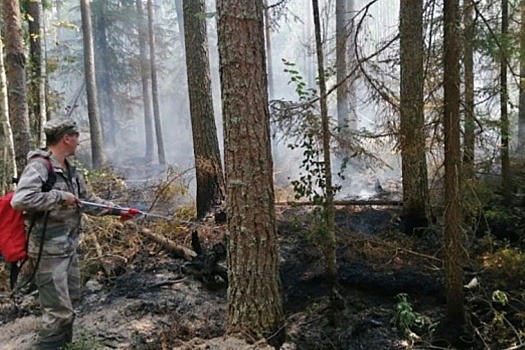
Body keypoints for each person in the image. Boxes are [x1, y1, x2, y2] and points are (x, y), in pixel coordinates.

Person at [10, 117, 135, 349]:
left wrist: (118, 210)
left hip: (68, 249)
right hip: (47, 253)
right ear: (67, 138)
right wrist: (59, 196)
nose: (79, 142)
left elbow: (86, 201)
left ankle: (65, 345)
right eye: (76, 137)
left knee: (70, 302)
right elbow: (20, 200)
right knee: (57, 312)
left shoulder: (70, 169)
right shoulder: (39, 166)